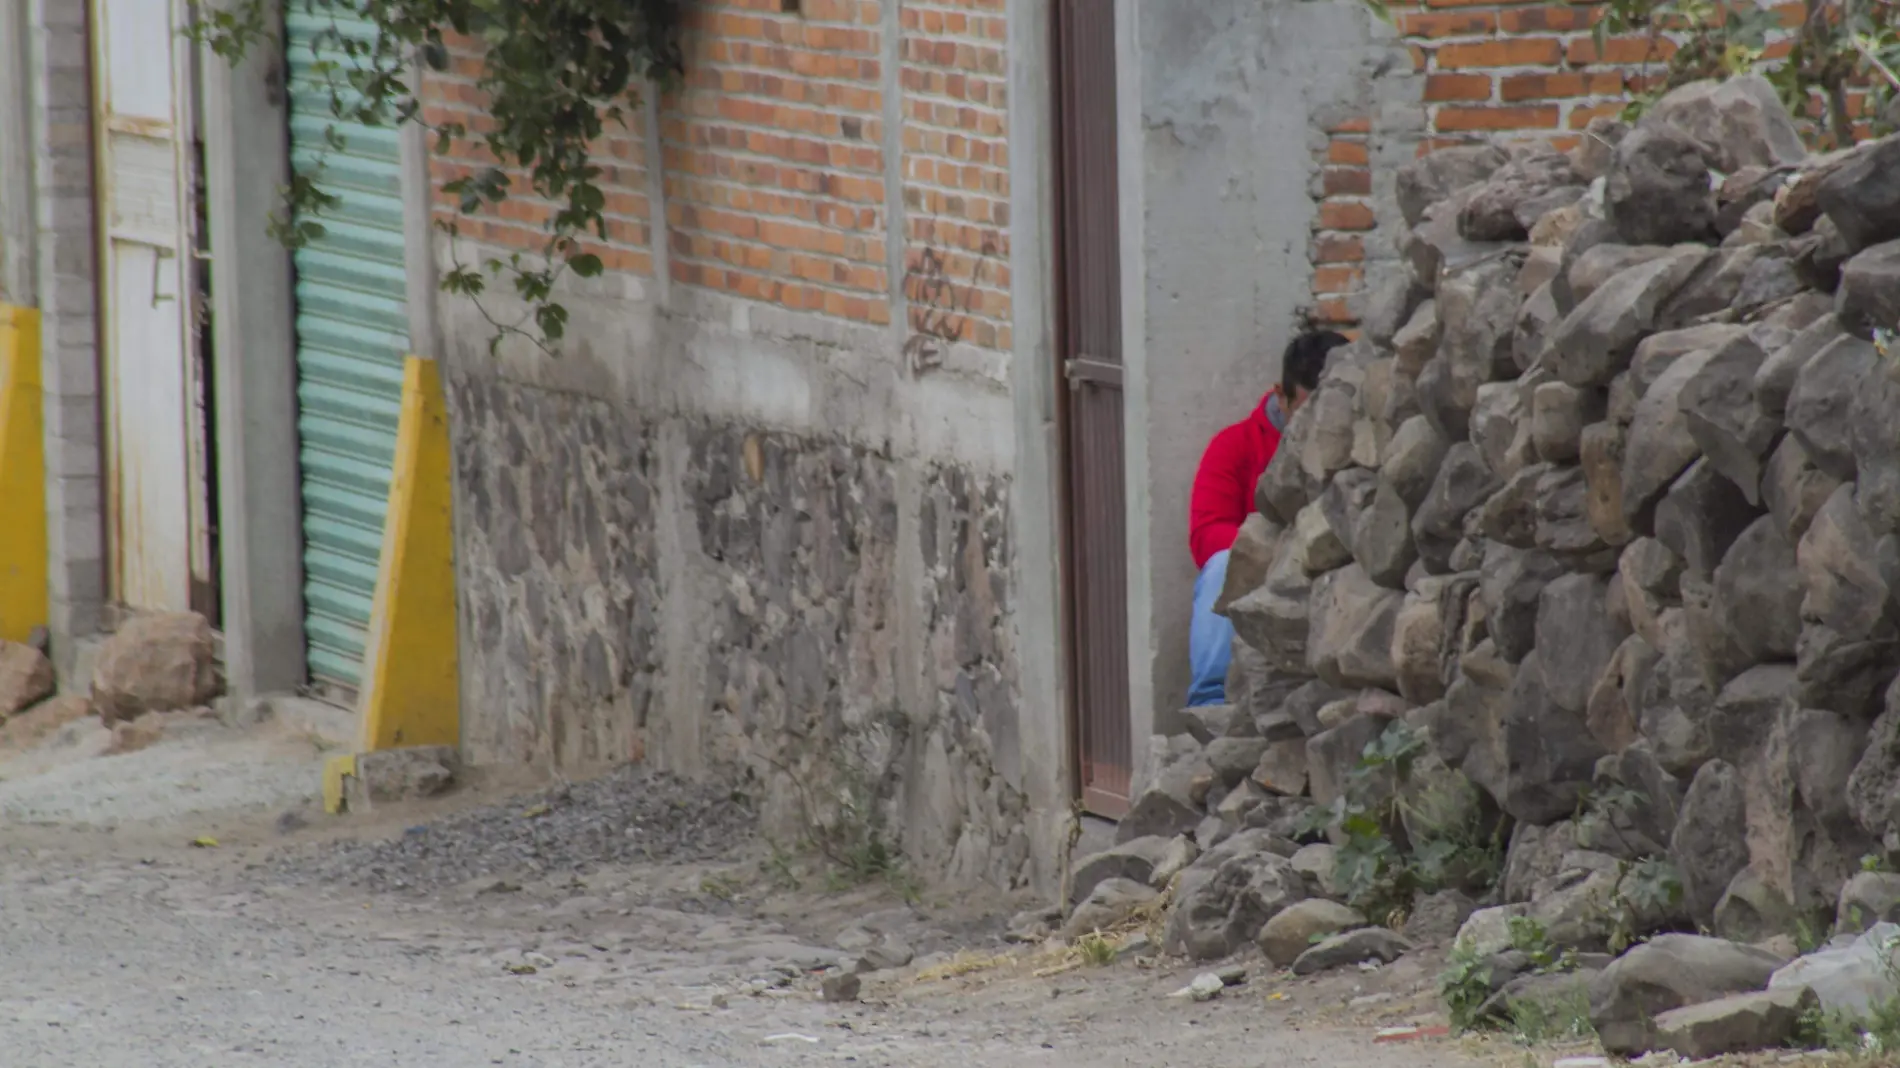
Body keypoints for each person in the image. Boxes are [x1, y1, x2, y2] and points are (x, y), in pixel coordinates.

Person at [1185, 328, 1349, 707]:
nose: (1318, 422)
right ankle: (1210, 703)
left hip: (1338, 579)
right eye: (1306, 410)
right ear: (1282, 396)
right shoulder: (1235, 447)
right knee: (1221, 566)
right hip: (1267, 577)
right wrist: (1279, 554)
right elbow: (1206, 534)